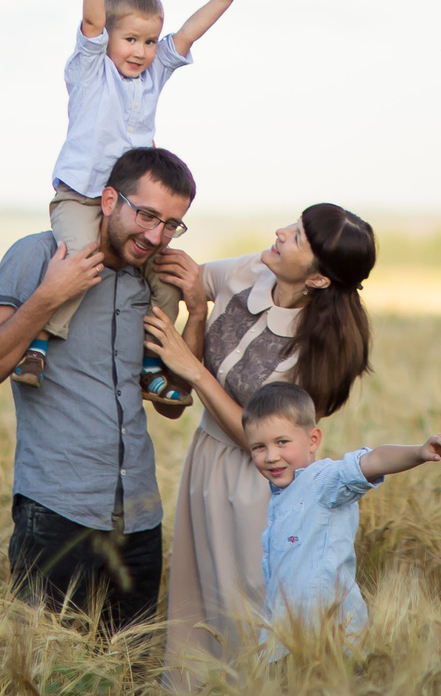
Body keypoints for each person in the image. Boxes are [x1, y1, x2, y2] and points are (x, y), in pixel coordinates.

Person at [0, 145, 203, 633]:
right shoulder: (39, 255)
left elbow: (172, 405)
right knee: (49, 673)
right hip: (56, 512)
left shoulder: (149, 282)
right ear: (109, 199)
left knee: (128, 673)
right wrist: (49, 295)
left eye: (172, 224)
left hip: (138, 516)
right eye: (147, 215)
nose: (156, 236)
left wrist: (197, 313)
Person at [15, 0, 266, 397]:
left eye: (150, 42)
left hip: (133, 208)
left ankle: (151, 364)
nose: (142, 51)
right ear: (109, 37)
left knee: (167, 281)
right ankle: (39, 343)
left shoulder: (152, 77)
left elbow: (188, 35)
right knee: (78, 264)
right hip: (82, 198)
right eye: (130, 39)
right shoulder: (92, 72)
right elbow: (91, 23)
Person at [146, 203, 379, 673]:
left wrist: (190, 368)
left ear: (317, 280)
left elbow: (260, 437)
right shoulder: (252, 269)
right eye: (293, 226)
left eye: (297, 238)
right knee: (200, 599)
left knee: (250, 605)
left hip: (265, 481)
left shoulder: (314, 352)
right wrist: (190, 303)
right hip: (206, 459)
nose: (280, 233)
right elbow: (187, 276)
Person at [238, 379, 441, 653]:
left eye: (282, 442)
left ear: (313, 440)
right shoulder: (280, 497)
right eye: (258, 447)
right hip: (287, 637)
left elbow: (373, 461)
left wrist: (419, 452)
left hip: (331, 637)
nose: (271, 456)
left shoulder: (322, 481)